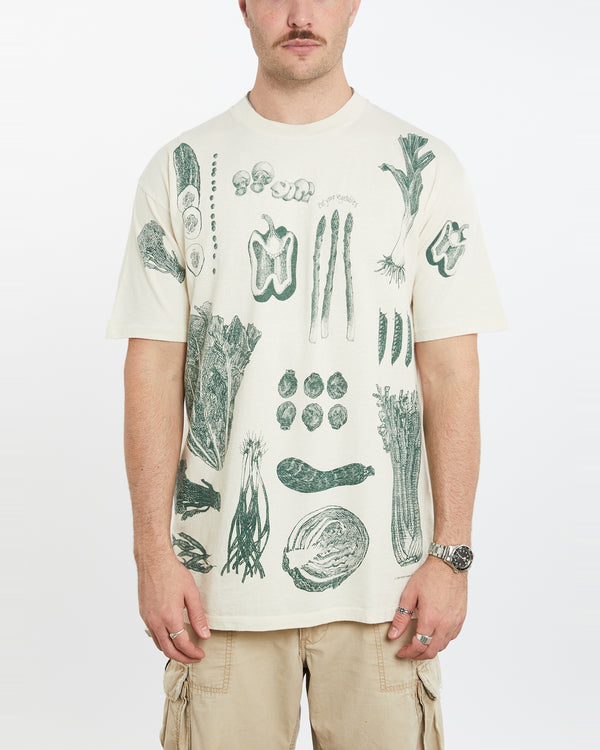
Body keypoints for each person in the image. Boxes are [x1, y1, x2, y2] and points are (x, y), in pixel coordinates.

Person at [107, 1, 507, 747]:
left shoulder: (425, 166)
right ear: (243, 6)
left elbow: (452, 374)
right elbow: (152, 370)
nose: (299, 14)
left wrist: (451, 555)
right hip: (217, 596)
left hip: (387, 598)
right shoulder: (180, 168)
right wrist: (153, 554)